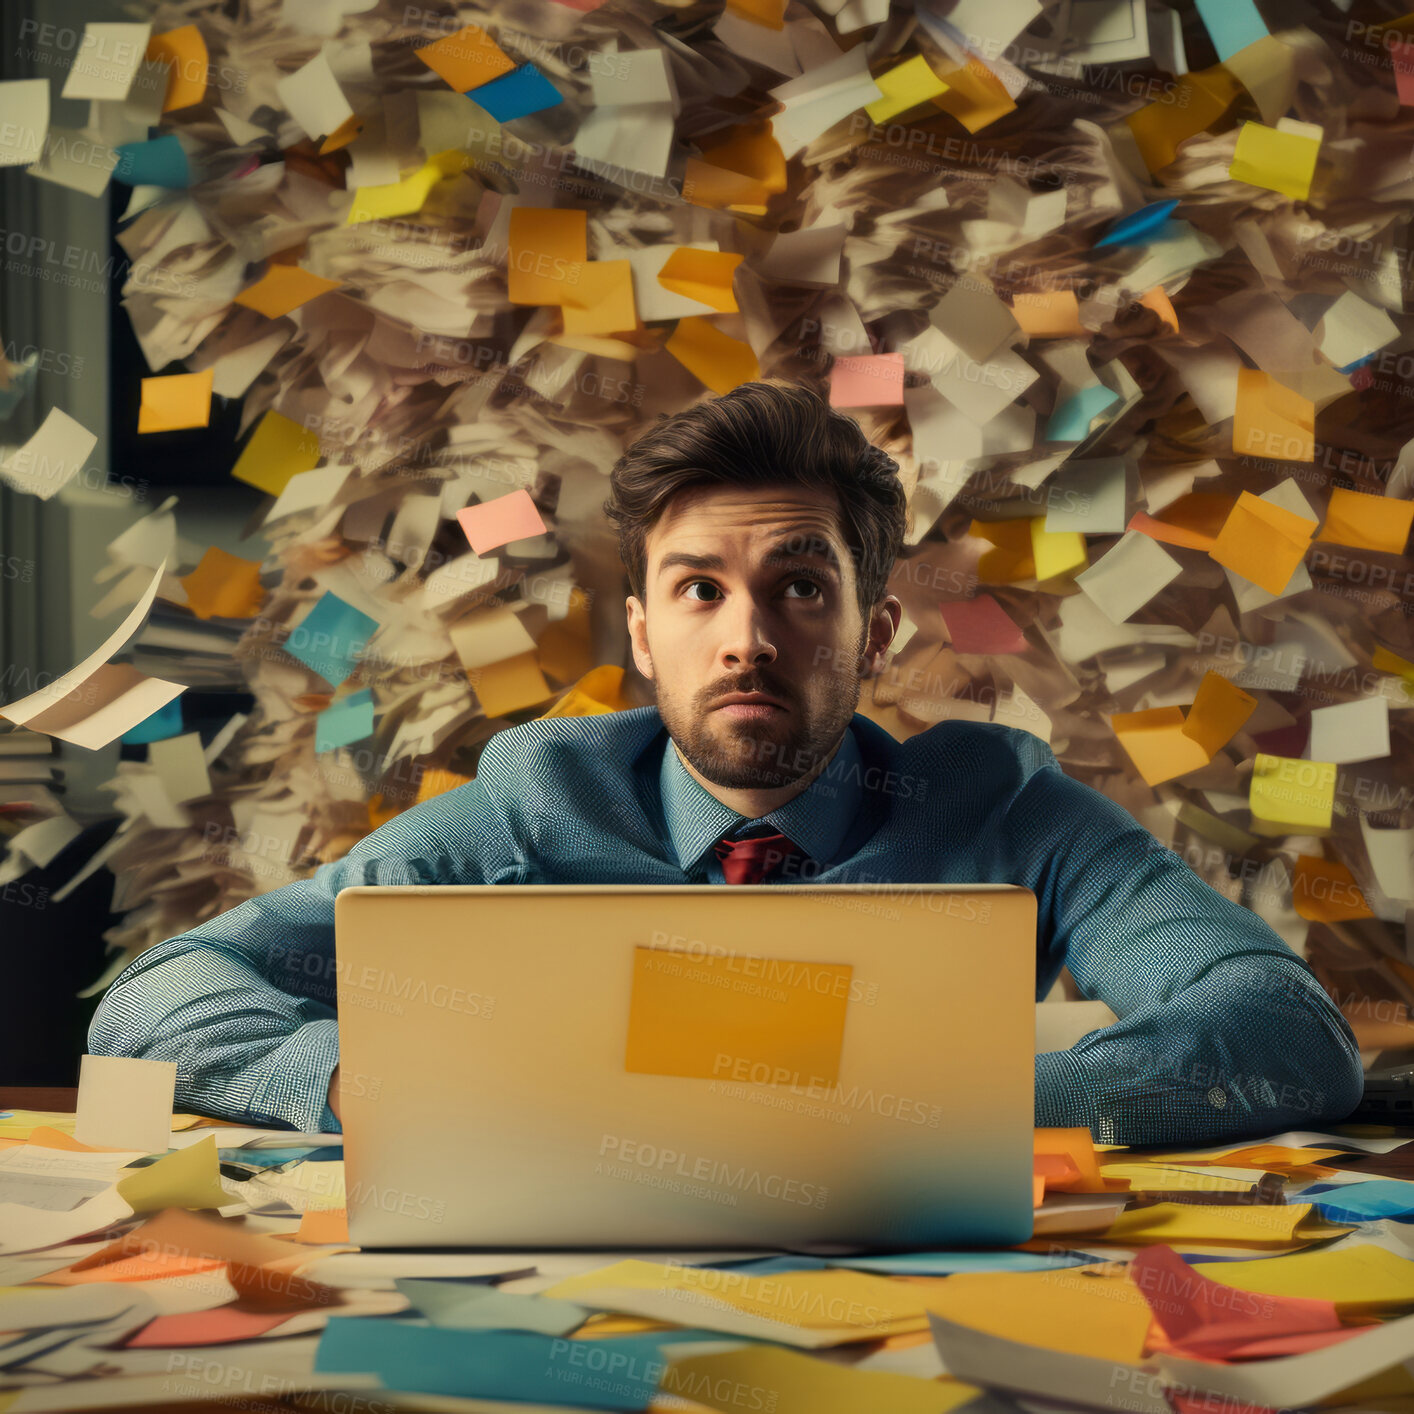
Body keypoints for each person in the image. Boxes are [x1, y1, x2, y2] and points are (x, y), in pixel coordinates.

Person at [89, 379, 1365, 1143]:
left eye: (798, 587)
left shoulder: (1004, 804)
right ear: (643, 636)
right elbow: (166, 991)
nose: (748, 637)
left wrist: (915, 1102)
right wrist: (367, 1081)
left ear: (872, 631)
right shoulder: (532, 809)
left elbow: (1283, 1029)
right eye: (699, 590)